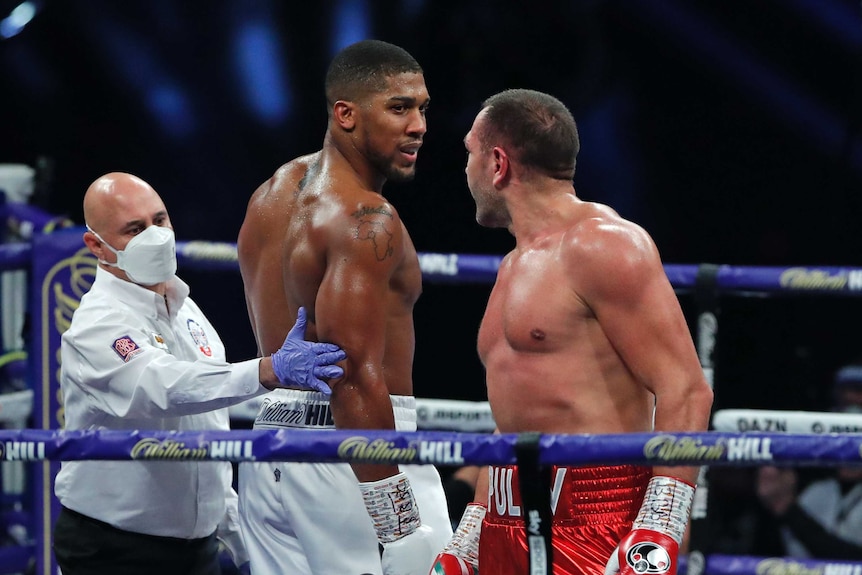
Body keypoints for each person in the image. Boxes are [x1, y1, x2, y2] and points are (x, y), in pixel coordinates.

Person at [430, 89, 714, 575]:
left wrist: (658, 530)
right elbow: (514, 416)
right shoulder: (511, 267)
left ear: (498, 164)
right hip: (503, 513)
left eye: (470, 153)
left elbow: (685, 389)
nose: (465, 171)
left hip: (595, 516)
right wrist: (471, 536)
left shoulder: (603, 245)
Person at [52, 172, 346, 575]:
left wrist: (236, 537)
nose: (154, 236)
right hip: (113, 548)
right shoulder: (97, 324)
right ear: (96, 245)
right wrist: (268, 370)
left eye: (159, 220)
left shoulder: (185, 307)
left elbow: (208, 420)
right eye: (134, 229)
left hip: (197, 550)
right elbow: (165, 386)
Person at [236, 39, 452, 575]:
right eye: (399, 107)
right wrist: (399, 523)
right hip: (355, 454)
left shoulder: (270, 195)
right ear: (346, 114)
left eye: (423, 107)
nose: (419, 125)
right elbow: (350, 374)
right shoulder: (365, 218)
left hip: (273, 445)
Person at [755, 364, 862, 559]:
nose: (851, 436)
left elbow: (854, 559)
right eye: (845, 414)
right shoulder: (816, 494)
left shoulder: (800, 506)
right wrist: (776, 507)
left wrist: (788, 510)